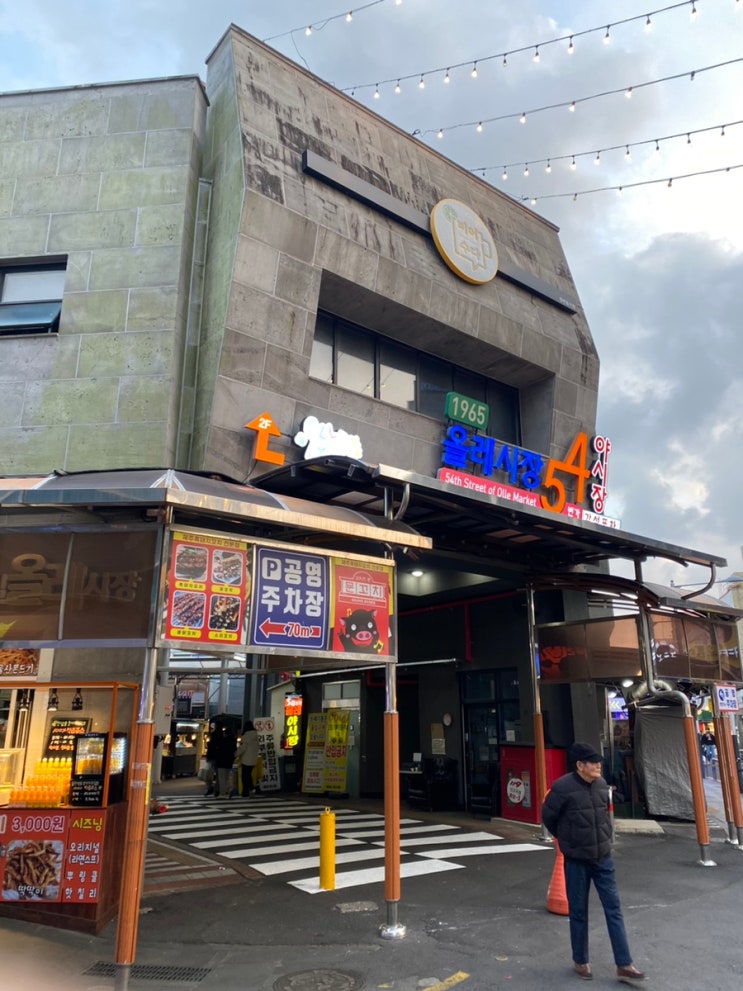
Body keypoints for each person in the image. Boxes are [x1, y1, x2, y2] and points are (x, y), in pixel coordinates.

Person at [541, 742, 646, 985]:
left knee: (614, 908)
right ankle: (580, 960)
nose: (599, 765)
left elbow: (605, 816)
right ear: (580, 765)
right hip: (576, 860)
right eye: (593, 762)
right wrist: (566, 840)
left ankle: (624, 964)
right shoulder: (562, 788)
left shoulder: (601, 785)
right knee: (578, 911)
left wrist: (606, 838)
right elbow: (548, 816)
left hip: (603, 858)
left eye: (599, 762)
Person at [205, 721, 236, 798]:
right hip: (228, 760)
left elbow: (214, 747)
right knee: (226, 776)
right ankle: (224, 790)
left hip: (219, 759)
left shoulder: (217, 736)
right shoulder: (230, 739)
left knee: (218, 776)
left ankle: (219, 791)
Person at [234, 720, 260, 797]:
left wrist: (235, 754)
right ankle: (251, 789)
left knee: (245, 776)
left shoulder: (246, 736)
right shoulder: (256, 736)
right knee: (248, 775)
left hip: (246, 759)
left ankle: (246, 791)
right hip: (253, 759)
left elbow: (243, 748)